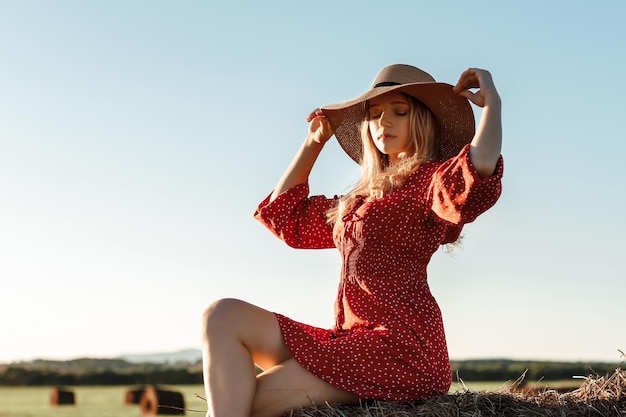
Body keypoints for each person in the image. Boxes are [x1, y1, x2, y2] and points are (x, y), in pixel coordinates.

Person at [201, 64, 503, 417]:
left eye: (398, 112)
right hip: (348, 342)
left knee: (242, 404)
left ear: (422, 120)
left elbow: (479, 167)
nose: (383, 123)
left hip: (399, 349)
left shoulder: (429, 182)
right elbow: (285, 217)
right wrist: (313, 143)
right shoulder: (359, 199)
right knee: (222, 315)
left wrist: (493, 102)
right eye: (374, 115)